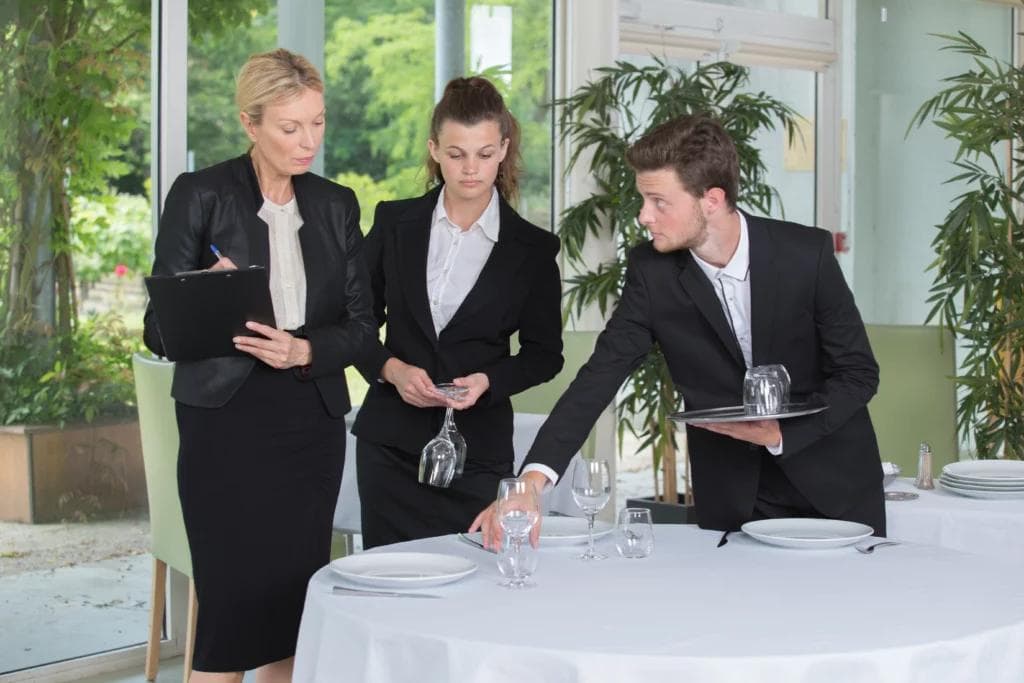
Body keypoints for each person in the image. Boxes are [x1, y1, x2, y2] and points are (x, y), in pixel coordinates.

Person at [473, 114, 885, 546]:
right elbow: (599, 377)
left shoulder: (806, 255)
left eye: (658, 201)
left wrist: (782, 434)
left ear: (711, 199)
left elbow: (858, 374)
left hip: (835, 490)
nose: (643, 216)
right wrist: (532, 482)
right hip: (733, 502)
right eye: (642, 200)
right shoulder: (653, 273)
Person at [142, 49, 374, 682]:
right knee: (229, 616)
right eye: (290, 127)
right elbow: (157, 331)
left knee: (290, 613)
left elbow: (360, 329)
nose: (308, 142)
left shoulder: (335, 204)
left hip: (309, 423)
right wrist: (204, 293)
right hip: (225, 426)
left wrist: (305, 349)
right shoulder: (200, 195)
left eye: (318, 123)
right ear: (251, 124)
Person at [352, 76, 564, 549]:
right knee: (390, 588)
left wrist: (489, 381)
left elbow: (545, 354)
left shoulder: (532, 249)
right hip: (390, 450)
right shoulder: (394, 222)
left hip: (479, 455)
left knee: (478, 594)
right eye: (456, 154)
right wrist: (390, 369)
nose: (471, 169)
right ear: (434, 150)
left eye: (485, 154)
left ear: (504, 149)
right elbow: (355, 321)